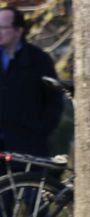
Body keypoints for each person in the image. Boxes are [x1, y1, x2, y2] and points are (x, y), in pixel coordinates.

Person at [0, 6, 63, 157]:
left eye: (2, 27)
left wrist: (40, 130)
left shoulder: (39, 60)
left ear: (18, 30)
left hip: (28, 146)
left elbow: (53, 100)